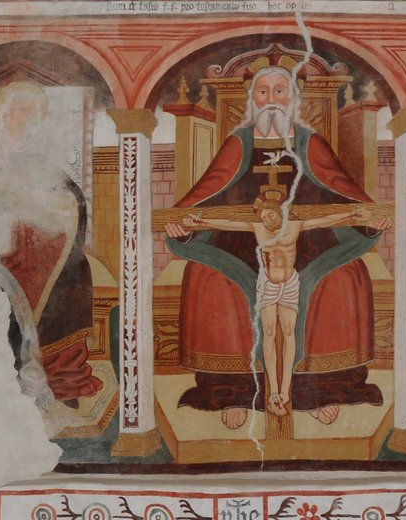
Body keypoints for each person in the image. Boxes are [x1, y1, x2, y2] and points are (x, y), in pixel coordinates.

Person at [164, 61, 390, 429]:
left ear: (293, 98)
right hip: (240, 238)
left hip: (308, 238)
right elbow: (209, 193)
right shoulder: (238, 143)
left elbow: (341, 191)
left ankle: (319, 390)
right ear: (252, 99)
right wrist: (183, 227)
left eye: (280, 91)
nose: (272, 99)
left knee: (343, 277)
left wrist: (367, 223)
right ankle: (233, 391)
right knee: (209, 280)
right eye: (264, 92)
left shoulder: (310, 143)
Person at [0, 82, 102, 409]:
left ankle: (60, 377)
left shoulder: (39, 158)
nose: (21, 117)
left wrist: (38, 208)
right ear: (2, 113)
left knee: (74, 275)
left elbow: (71, 201)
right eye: (16, 109)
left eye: (29, 111)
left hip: (39, 249)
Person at [179, 198, 376, 417]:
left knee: (290, 333)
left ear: (280, 213)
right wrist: (200, 221)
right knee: (270, 333)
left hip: (290, 283)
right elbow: (227, 224)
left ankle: (285, 391)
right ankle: (273, 391)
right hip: (268, 284)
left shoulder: (295, 225)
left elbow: (325, 220)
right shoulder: (258, 228)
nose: (266, 220)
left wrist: (350, 215)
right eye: (263, 217)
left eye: (270, 215)